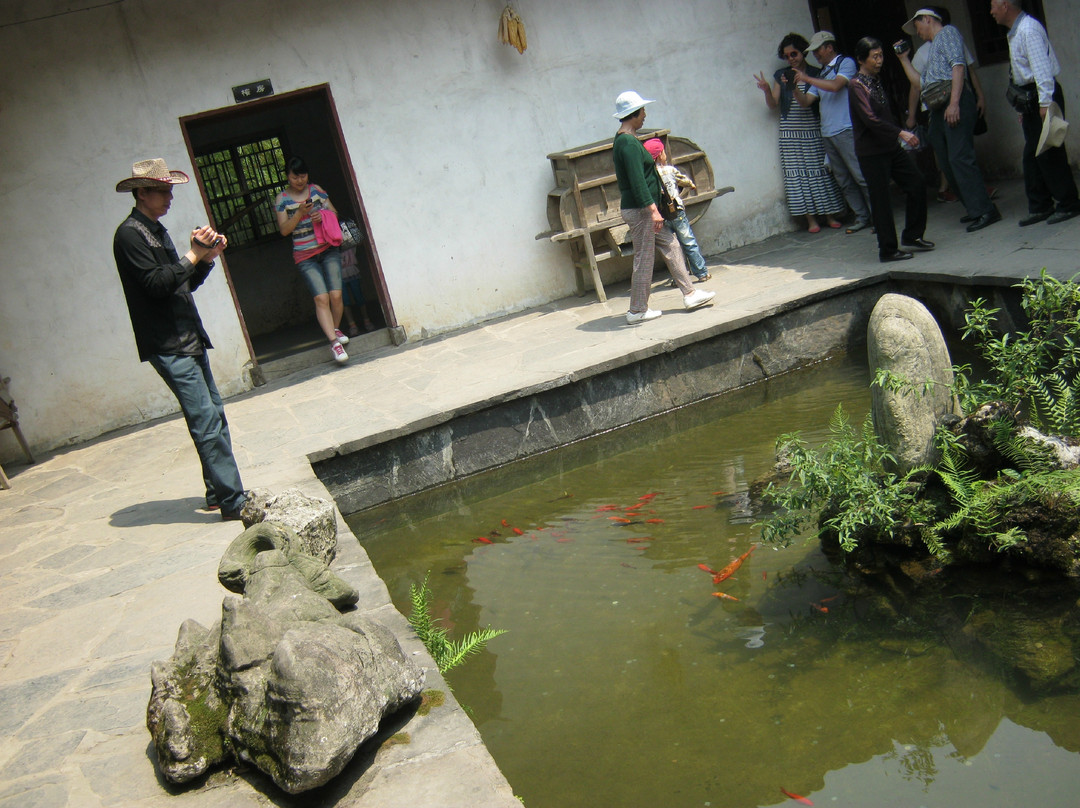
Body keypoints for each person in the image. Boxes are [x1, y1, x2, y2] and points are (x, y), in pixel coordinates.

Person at [112, 158, 248, 521]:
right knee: (205, 419)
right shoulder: (129, 235)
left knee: (214, 416)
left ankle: (218, 492)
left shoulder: (157, 230)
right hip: (167, 343)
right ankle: (235, 502)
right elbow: (156, 285)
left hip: (189, 336)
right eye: (163, 190)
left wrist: (206, 259)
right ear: (143, 193)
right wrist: (193, 253)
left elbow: (181, 284)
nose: (170, 197)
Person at [611, 91, 715, 324]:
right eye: (642, 111)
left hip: (644, 210)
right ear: (633, 114)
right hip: (641, 211)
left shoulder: (628, 140)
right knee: (644, 258)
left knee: (672, 245)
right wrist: (653, 211)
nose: (645, 115)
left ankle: (690, 294)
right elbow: (637, 181)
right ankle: (637, 310)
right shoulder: (627, 143)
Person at [896, 8, 1001, 232]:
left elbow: (958, 66)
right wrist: (903, 60)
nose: (917, 32)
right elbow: (920, 83)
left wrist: (954, 103)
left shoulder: (948, 33)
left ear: (927, 19)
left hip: (954, 101)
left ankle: (985, 210)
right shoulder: (932, 48)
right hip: (937, 107)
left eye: (917, 26)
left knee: (960, 157)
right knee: (946, 161)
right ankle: (973, 208)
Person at [990, 0, 1080, 226]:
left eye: (993, 6)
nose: (990, 12)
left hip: (1041, 94)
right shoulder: (1016, 31)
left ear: (1005, 5)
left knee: (1050, 151)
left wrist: (1045, 102)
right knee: (1032, 154)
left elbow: (1041, 69)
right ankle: (1040, 204)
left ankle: (1069, 203)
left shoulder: (1028, 29)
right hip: (1030, 98)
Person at [849, 37, 933, 263]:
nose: (879, 60)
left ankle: (913, 235)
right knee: (881, 200)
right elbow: (870, 119)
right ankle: (887, 250)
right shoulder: (856, 85)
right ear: (861, 59)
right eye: (874, 57)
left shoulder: (876, 80)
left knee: (916, 182)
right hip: (871, 152)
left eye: (881, 55)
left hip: (890, 147)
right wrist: (900, 132)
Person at [754, 33, 845, 233]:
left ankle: (829, 215)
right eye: (786, 56)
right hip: (790, 131)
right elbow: (773, 105)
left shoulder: (815, 72)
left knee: (820, 172)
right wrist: (767, 90)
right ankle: (811, 220)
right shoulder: (782, 75)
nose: (791, 59)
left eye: (794, 53)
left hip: (812, 127)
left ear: (803, 52)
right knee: (798, 176)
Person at [790, 30, 874, 234]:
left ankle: (878, 215)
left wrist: (807, 79)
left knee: (861, 176)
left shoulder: (846, 63)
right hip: (828, 132)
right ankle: (862, 216)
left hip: (846, 128)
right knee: (844, 180)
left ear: (829, 47)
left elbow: (837, 86)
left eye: (818, 50)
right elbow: (806, 102)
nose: (816, 55)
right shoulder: (820, 75)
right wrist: (793, 87)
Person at [274, 157, 349, 364]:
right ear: (287, 176)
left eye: (303, 175)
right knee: (321, 298)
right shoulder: (282, 200)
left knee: (335, 295)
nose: (299, 180)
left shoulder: (316, 190)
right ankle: (334, 342)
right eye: (295, 176)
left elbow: (334, 213)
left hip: (328, 248)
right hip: (304, 255)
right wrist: (299, 213)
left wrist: (322, 215)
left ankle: (334, 328)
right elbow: (284, 230)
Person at [643, 137, 712, 282]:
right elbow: (686, 181)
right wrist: (691, 185)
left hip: (661, 215)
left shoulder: (647, 176)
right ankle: (702, 273)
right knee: (688, 242)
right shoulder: (669, 170)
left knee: (673, 248)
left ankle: (680, 279)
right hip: (677, 212)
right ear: (660, 154)